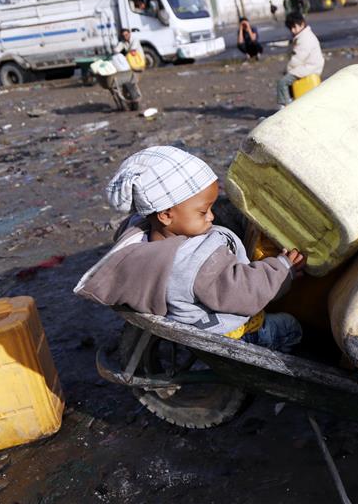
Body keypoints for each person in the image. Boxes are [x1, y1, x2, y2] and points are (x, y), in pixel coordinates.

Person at [74, 146, 305, 352]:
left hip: (200, 310)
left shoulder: (141, 232)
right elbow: (243, 290)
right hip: (231, 332)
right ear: (165, 215)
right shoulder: (195, 263)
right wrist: (283, 268)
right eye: (203, 212)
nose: (211, 216)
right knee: (292, 328)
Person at [276, 11, 324, 107]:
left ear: (302, 24)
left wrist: (287, 70)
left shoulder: (305, 38)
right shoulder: (302, 36)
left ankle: (286, 106)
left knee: (283, 83)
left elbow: (298, 58)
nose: (293, 30)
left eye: (294, 27)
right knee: (288, 81)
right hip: (308, 66)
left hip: (309, 68)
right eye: (291, 28)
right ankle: (290, 101)